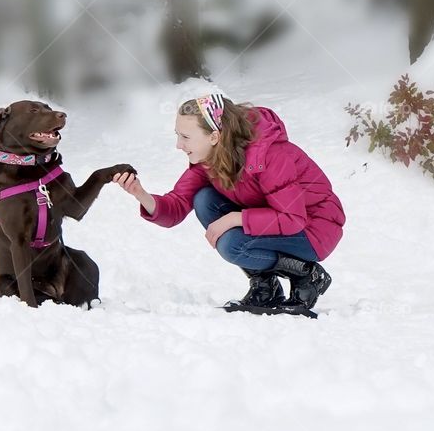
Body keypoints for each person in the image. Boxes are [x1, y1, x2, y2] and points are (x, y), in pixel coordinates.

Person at [113, 95, 345, 310]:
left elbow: (292, 218)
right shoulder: (208, 160)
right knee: (204, 200)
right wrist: (141, 194)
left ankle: (306, 274)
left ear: (214, 136)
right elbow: (175, 207)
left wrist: (234, 218)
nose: (178, 145)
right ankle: (265, 287)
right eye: (177, 135)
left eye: (185, 137)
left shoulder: (270, 155)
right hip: (278, 223)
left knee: (232, 244)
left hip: (314, 229)